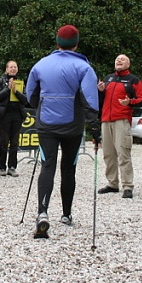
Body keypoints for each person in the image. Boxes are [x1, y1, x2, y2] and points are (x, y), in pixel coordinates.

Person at [26, 24, 101, 239]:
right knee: (69, 168)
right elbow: (89, 100)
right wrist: (95, 128)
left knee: (47, 165)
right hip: (72, 125)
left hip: (46, 123)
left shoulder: (40, 64)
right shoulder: (84, 67)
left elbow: (31, 96)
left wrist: (41, 106)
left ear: (57, 42)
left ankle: (42, 212)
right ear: (76, 43)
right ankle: (66, 214)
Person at [97, 54, 142, 199]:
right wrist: (100, 91)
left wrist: (130, 102)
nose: (119, 60)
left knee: (123, 153)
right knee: (108, 154)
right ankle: (112, 183)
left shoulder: (133, 80)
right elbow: (100, 101)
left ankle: (127, 185)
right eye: (117, 59)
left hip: (122, 120)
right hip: (106, 119)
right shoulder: (108, 79)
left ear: (128, 64)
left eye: (122, 59)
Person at [0, 60, 27, 177]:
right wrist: (8, 88)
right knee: (4, 141)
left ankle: (12, 167)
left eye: (15, 67)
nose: (13, 69)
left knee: (15, 142)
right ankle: (2, 166)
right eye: (11, 67)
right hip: (5, 114)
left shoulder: (20, 82)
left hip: (17, 114)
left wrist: (16, 91)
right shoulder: (0, 81)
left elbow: (25, 100)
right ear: (6, 69)